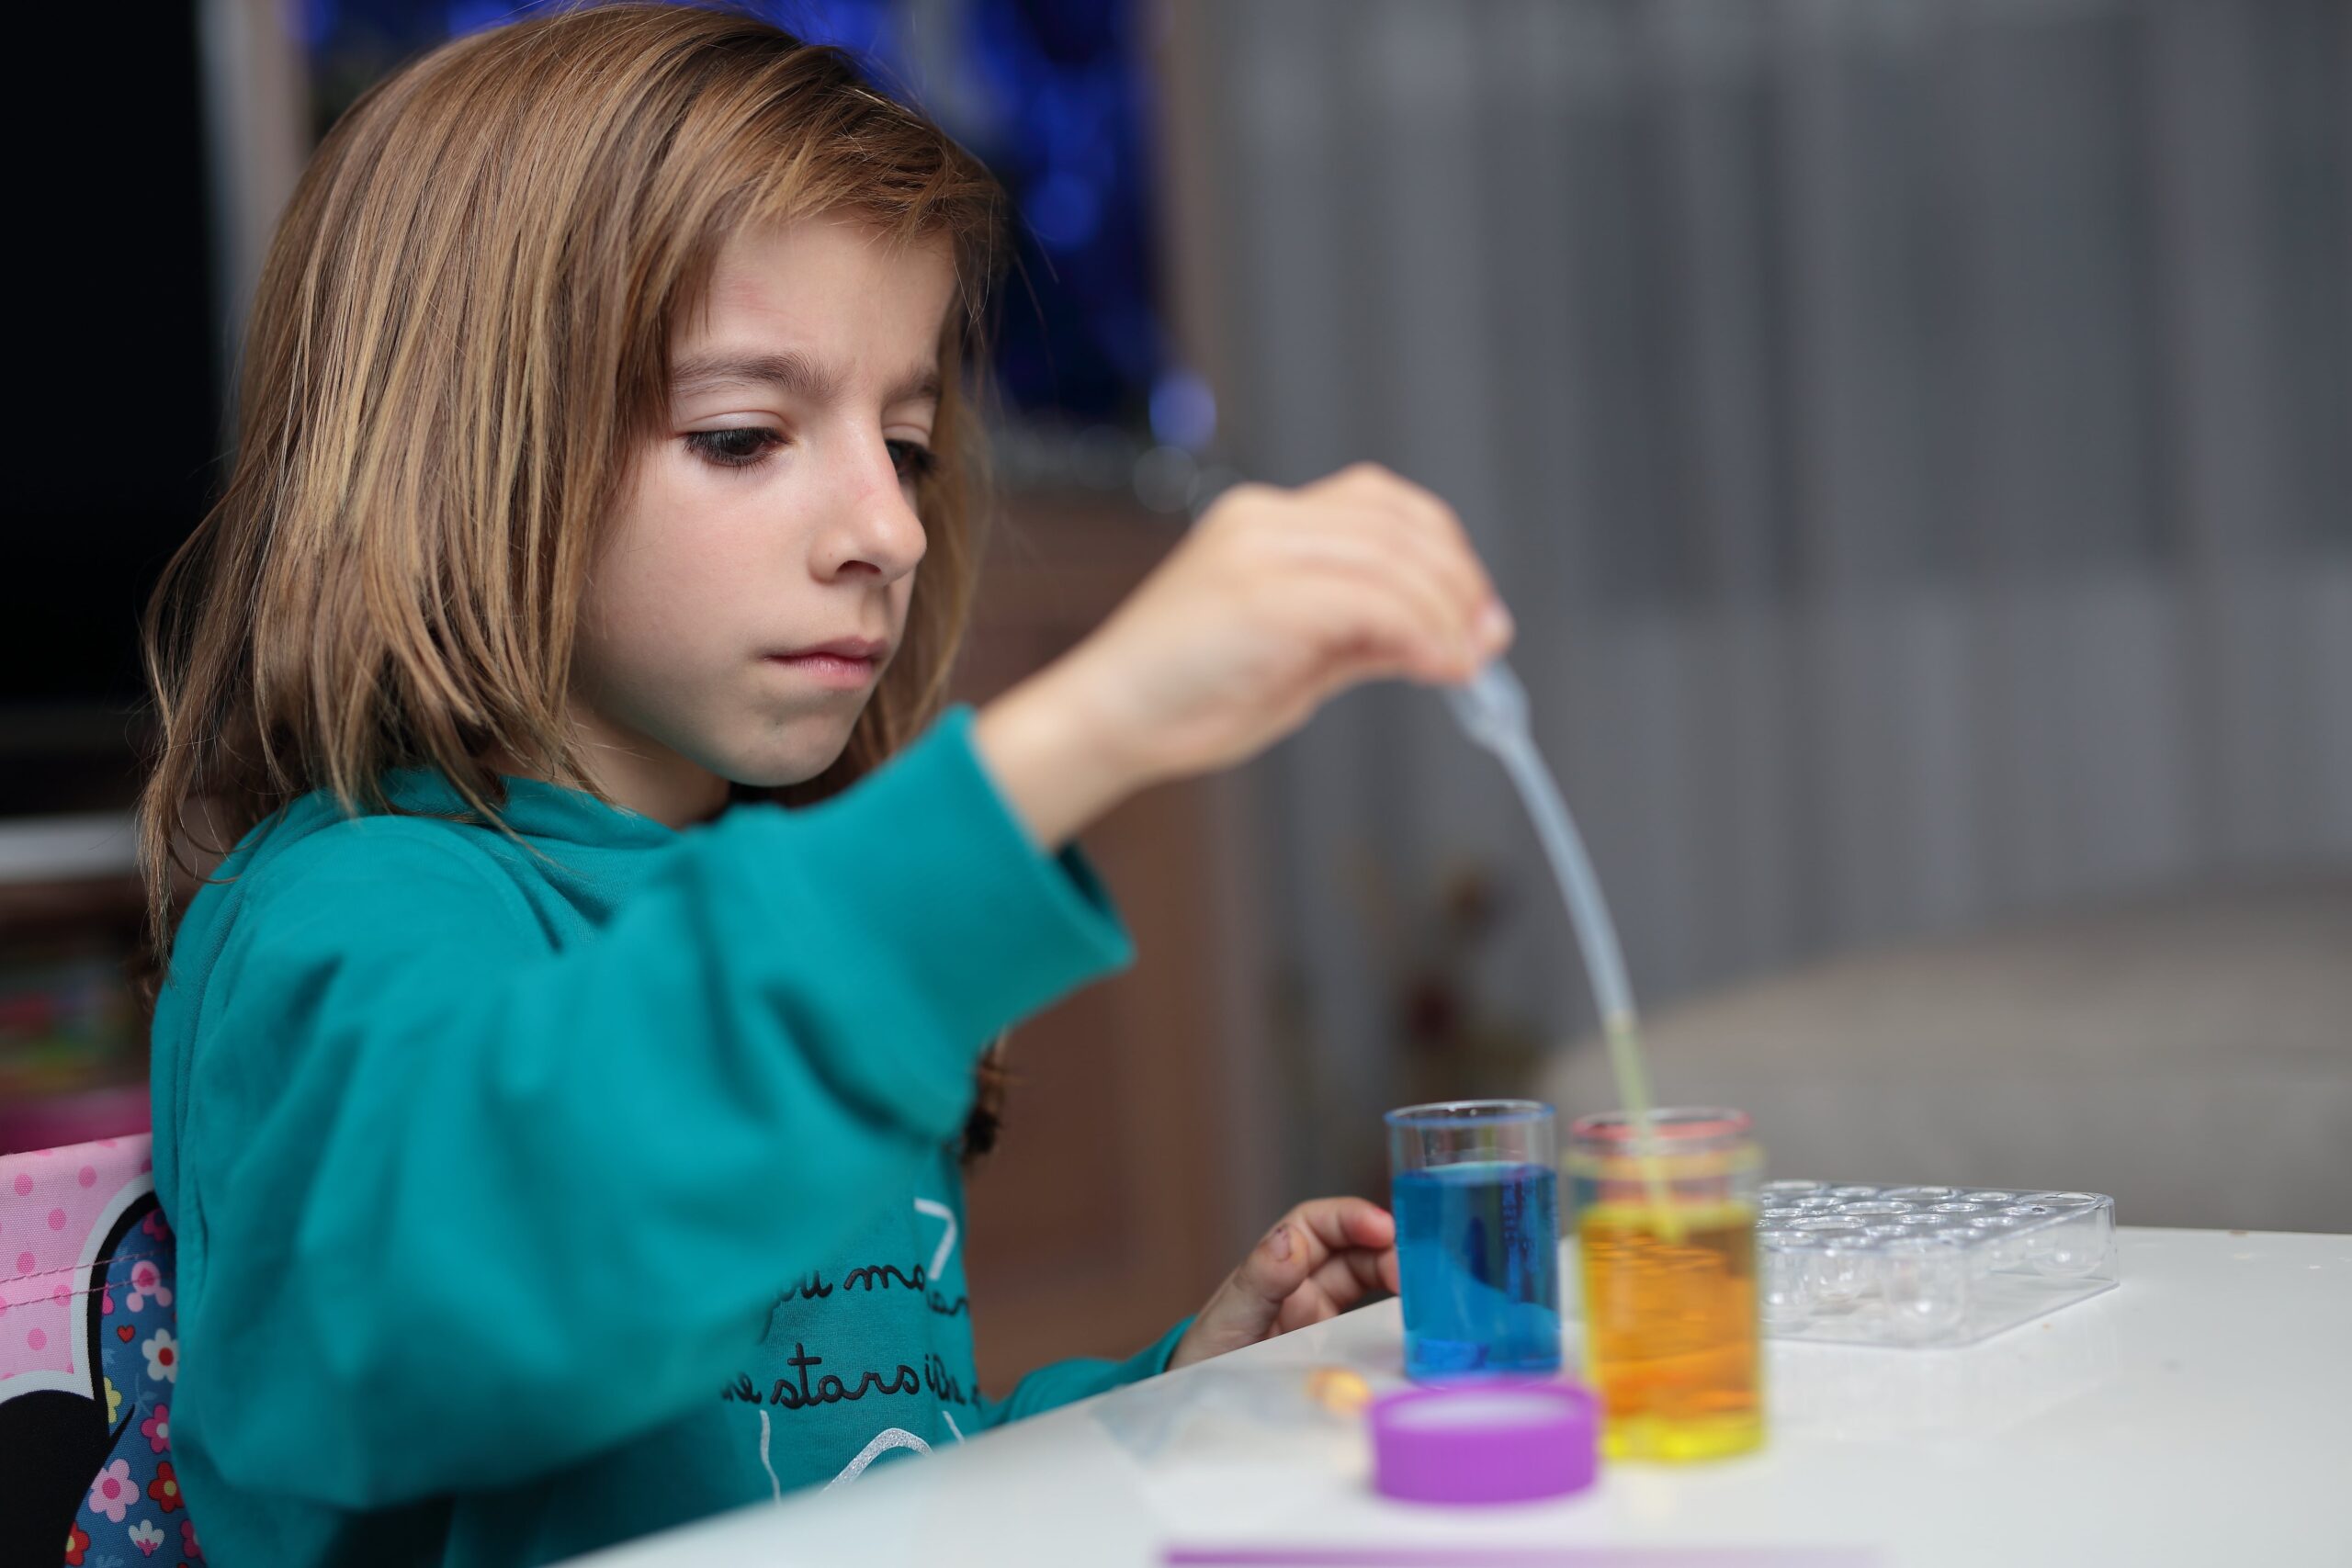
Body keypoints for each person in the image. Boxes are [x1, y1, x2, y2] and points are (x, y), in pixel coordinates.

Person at [138, 6, 1511, 1563]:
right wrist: (1081, 737)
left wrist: (1169, 1392)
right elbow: (507, 1261)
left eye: (906, 444)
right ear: (456, 455)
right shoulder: (352, 918)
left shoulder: (784, 901)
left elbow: (866, 1476)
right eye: (743, 436)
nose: (891, 528)